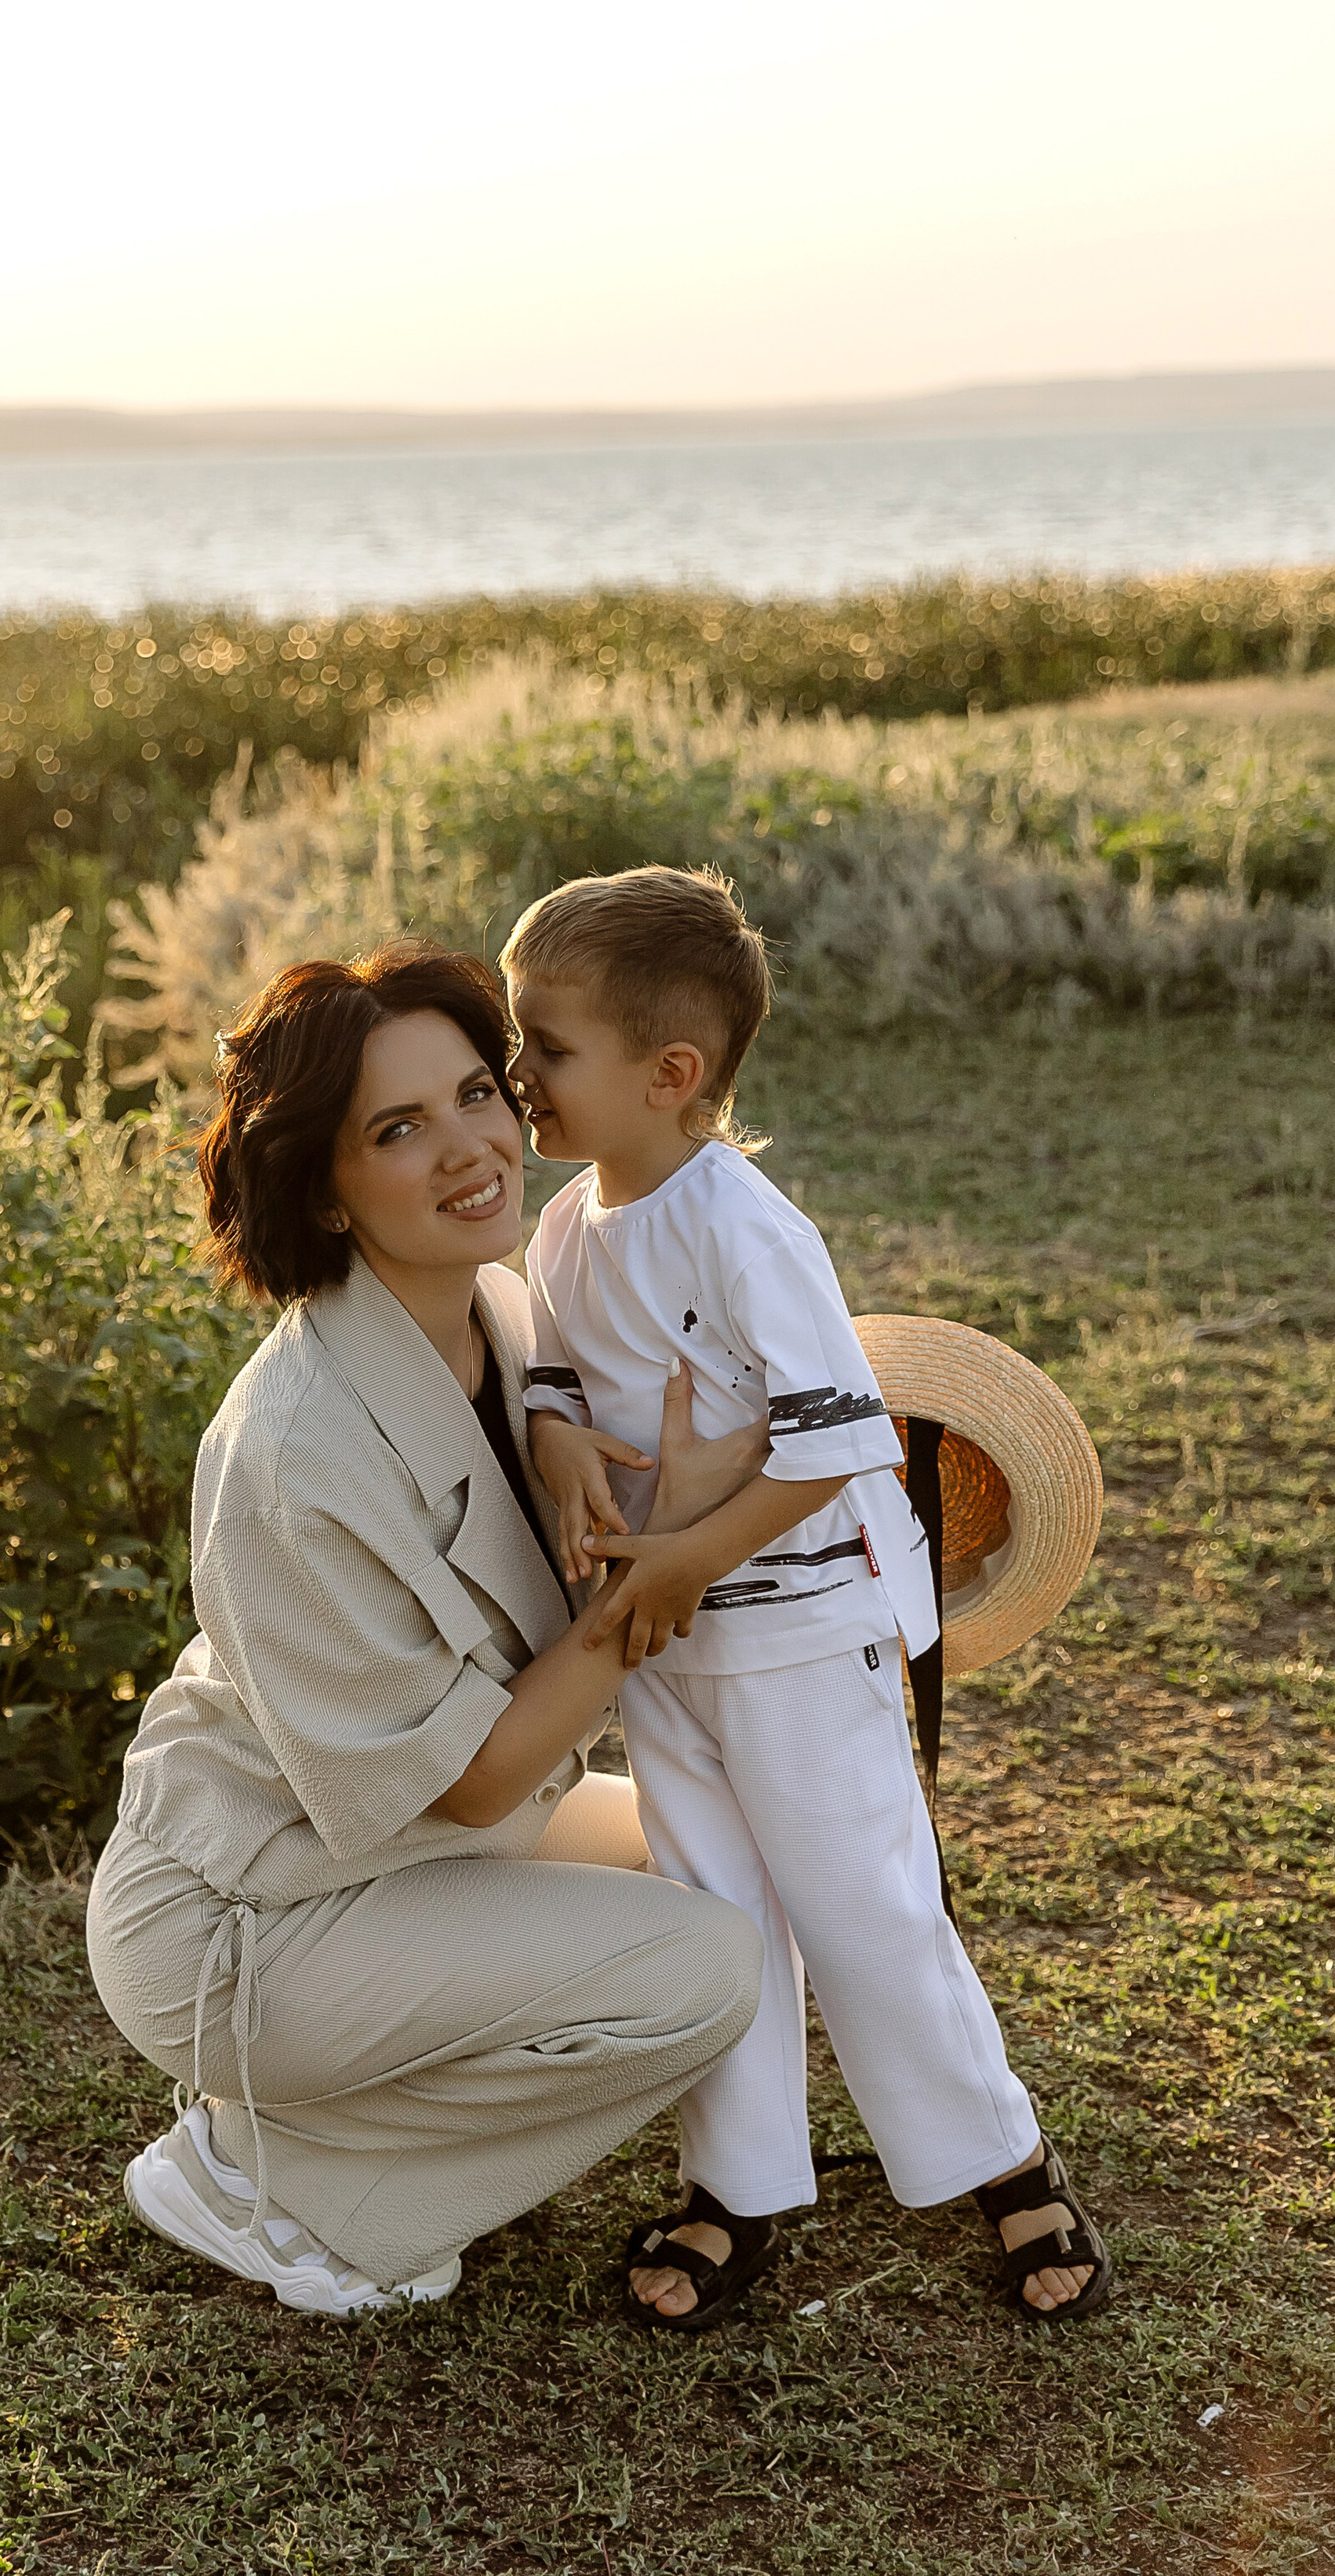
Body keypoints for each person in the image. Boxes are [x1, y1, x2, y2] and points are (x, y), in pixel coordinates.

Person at [85, 943, 766, 2317]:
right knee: (707, 1968)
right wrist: (666, 1567)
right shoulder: (290, 1448)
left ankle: (324, 2139)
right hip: (249, 1917)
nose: (470, 1148)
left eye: (475, 1093)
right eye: (399, 1129)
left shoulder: (499, 1311)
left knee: (737, 1848)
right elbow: (479, 1779)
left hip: (400, 1846)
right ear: (325, 1193)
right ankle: (281, 2181)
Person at [504, 865, 1112, 2332]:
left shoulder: (743, 1224)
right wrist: (556, 1436)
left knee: (866, 1905)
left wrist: (691, 1554)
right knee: (715, 1909)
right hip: (662, 1644)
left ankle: (1002, 2157)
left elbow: (837, 1437)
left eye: (546, 1046)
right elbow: (552, 1375)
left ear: (671, 1075)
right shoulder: (568, 1228)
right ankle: (746, 2184)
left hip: (793, 1627)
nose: (515, 1076)